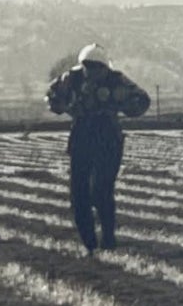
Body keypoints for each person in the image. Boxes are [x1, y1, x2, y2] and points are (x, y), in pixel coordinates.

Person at [47, 43, 150, 252]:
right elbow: (52, 97)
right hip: (82, 136)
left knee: (101, 190)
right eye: (89, 66)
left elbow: (142, 100)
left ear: (105, 68)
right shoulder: (71, 79)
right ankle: (89, 242)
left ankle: (108, 238)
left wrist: (122, 105)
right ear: (83, 66)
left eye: (97, 67)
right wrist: (65, 106)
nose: (93, 71)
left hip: (108, 138)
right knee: (79, 194)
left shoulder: (117, 80)